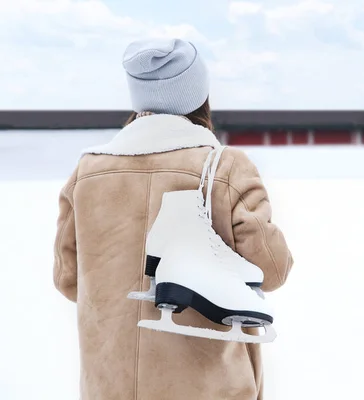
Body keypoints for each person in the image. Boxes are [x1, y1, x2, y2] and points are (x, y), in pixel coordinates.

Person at [52, 38, 294, 400]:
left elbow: (68, 280)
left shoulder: (87, 173)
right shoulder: (224, 168)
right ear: (199, 96)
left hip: (110, 387)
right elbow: (271, 270)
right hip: (209, 387)